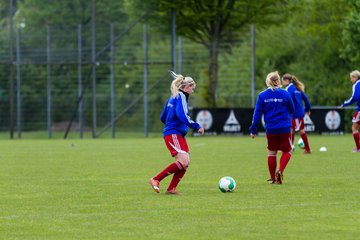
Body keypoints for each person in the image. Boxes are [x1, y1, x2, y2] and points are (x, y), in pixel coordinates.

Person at [149, 72, 205, 194]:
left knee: (186, 162)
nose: (192, 91)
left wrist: (171, 124)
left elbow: (163, 117)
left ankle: (171, 188)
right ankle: (155, 179)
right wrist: (196, 126)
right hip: (174, 133)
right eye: (192, 88)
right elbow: (183, 115)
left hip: (176, 133)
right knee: (183, 161)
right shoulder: (181, 97)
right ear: (186, 87)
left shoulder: (173, 97)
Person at [249, 71, 294, 184]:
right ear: (278, 80)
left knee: (271, 153)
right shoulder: (285, 94)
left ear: (267, 81)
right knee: (287, 151)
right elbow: (292, 109)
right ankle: (280, 171)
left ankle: (273, 178)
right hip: (284, 128)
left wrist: (253, 130)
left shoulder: (262, 95)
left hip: (271, 129)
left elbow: (257, 114)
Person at [281, 73, 312, 154]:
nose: (282, 83)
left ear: (287, 80)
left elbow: (287, 99)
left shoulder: (289, 89)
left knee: (297, 131)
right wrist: (307, 109)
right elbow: (306, 99)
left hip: (295, 114)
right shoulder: (297, 88)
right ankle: (290, 148)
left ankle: (306, 149)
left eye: (283, 81)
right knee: (293, 130)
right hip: (297, 113)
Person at [340, 70, 360, 152]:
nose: (351, 80)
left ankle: (358, 148)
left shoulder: (356, 84)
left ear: (355, 77)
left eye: (351, 78)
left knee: (354, 128)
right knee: (357, 128)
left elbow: (355, 97)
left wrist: (344, 104)